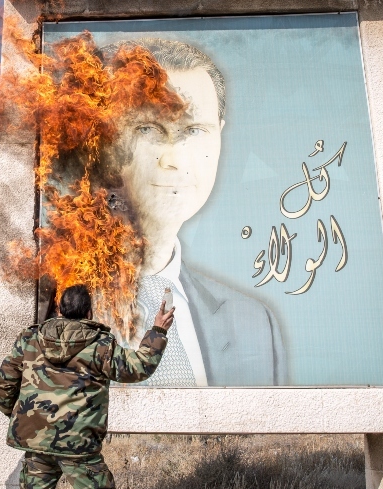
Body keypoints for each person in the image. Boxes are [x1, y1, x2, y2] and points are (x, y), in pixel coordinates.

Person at [101, 38, 286, 387]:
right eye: (148, 129)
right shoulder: (61, 303)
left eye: (194, 130)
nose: (173, 160)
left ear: (220, 134)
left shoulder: (254, 324)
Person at [0, 284, 175, 489]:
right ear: (89, 312)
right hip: (78, 447)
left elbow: (5, 380)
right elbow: (139, 367)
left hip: (36, 443)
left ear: (60, 310)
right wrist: (157, 330)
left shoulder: (30, 339)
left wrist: (17, 416)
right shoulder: (100, 344)